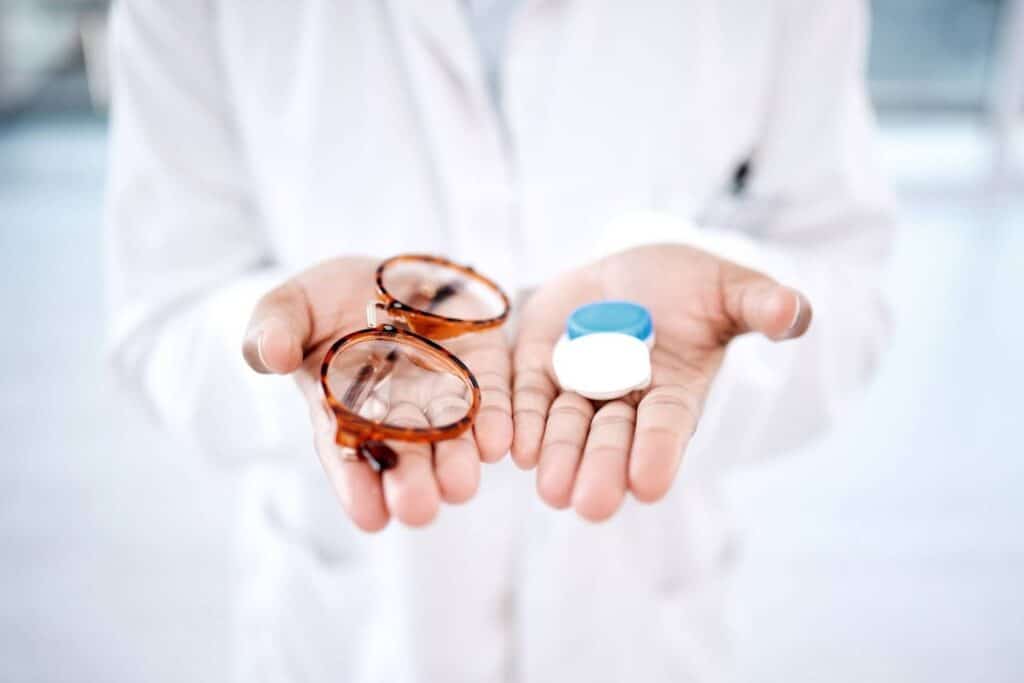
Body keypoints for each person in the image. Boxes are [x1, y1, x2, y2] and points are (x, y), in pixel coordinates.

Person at [106, 1, 893, 681]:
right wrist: (314, 363)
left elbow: (848, 283)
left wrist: (723, 324)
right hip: (352, 627)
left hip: (640, 621)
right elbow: (163, 315)